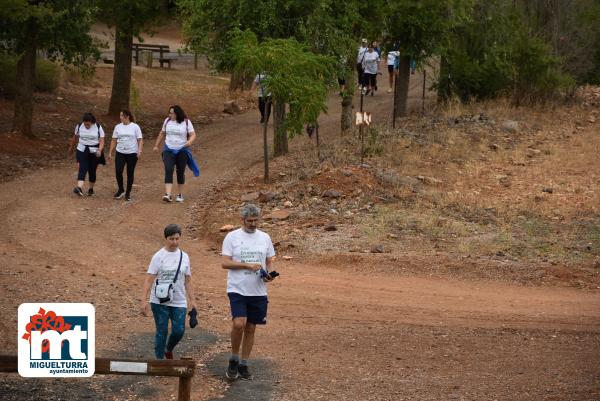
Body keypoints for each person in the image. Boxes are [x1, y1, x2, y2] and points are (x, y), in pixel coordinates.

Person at [222, 204, 276, 380]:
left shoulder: (265, 237)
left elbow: (269, 260)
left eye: (255, 220)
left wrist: (269, 274)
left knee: (251, 327)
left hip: (258, 290)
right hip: (237, 288)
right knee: (239, 324)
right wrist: (246, 265)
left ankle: (244, 364)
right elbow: (225, 263)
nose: (253, 224)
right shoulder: (232, 237)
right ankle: (233, 358)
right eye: (249, 221)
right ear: (243, 220)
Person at [140, 224, 197, 360]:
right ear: (166, 238)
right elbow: (149, 280)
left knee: (179, 331)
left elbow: (188, 280)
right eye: (171, 239)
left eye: (177, 239)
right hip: (159, 300)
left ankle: (168, 348)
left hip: (179, 300)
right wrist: (143, 300)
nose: (175, 242)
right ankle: (159, 362)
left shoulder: (185, 257)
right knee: (162, 331)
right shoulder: (158, 257)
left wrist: (193, 300)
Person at [153, 105, 197, 203]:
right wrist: (156, 145)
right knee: (168, 169)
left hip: (182, 150)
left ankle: (180, 194)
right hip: (168, 149)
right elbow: (162, 133)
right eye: (169, 113)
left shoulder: (186, 122)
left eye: (172, 113)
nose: (170, 115)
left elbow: (193, 134)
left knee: (180, 172)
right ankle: (168, 194)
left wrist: (189, 142)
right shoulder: (167, 121)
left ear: (177, 113)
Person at [67, 112, 106, 196]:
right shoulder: (79, 126)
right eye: (85, 124)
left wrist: (99, 149)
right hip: (82, 149)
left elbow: (102, 141)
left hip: (94, 151)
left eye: (88, 125)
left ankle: (91, 189)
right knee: (82, 167)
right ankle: (79, 188)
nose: (86, 126)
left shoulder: (98, 127)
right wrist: (71, 148)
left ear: (92, 122)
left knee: (92, 171)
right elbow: (75, 138)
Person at [108, 110, 143, 201]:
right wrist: (110, 152)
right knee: (118, 171)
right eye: (120, 115)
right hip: (120, 152)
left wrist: (139, 151)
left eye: (121, 115)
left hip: (132, 153)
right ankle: (121, 189)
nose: (120, 117)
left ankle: (128, 193)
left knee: (130, 173)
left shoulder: (135, 127)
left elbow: (140, 140)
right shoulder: (117, 127)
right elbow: (114, 140)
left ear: (127, 117)